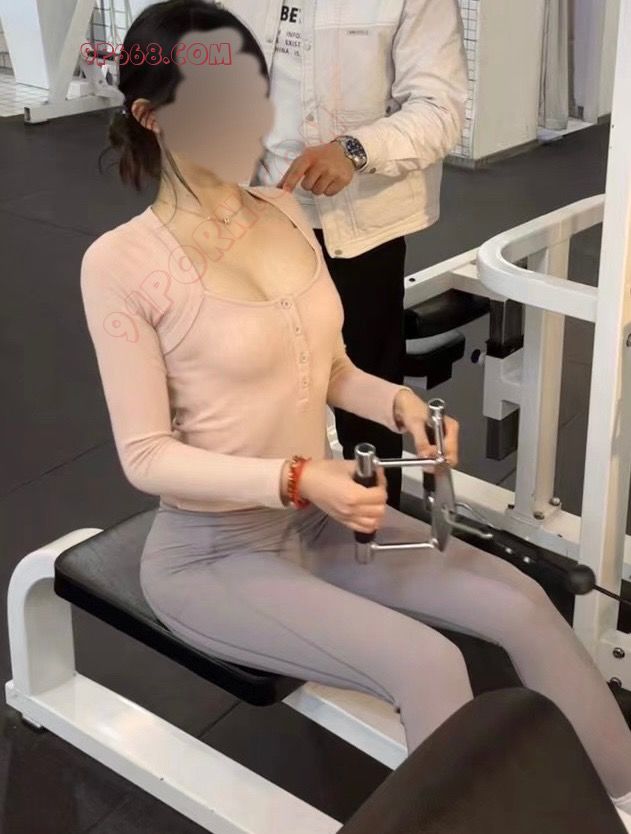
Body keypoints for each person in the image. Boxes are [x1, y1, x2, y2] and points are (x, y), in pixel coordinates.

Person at [82, 1, 631, 819]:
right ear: (151, 116)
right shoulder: (121, 264)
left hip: (317, 528)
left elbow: (331, 366)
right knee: (426, 662)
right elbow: (146, 457)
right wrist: (301, 477)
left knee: (518, 601)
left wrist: (399, 401)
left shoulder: (282, 212)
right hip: (213, 555)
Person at [218, 0, 469, 508]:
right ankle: (274, 512)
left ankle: (372, 519)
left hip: (359, 229)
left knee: (365, 393)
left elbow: (440, 110)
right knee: (257, 385)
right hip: (254, 214)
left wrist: (355, 150)